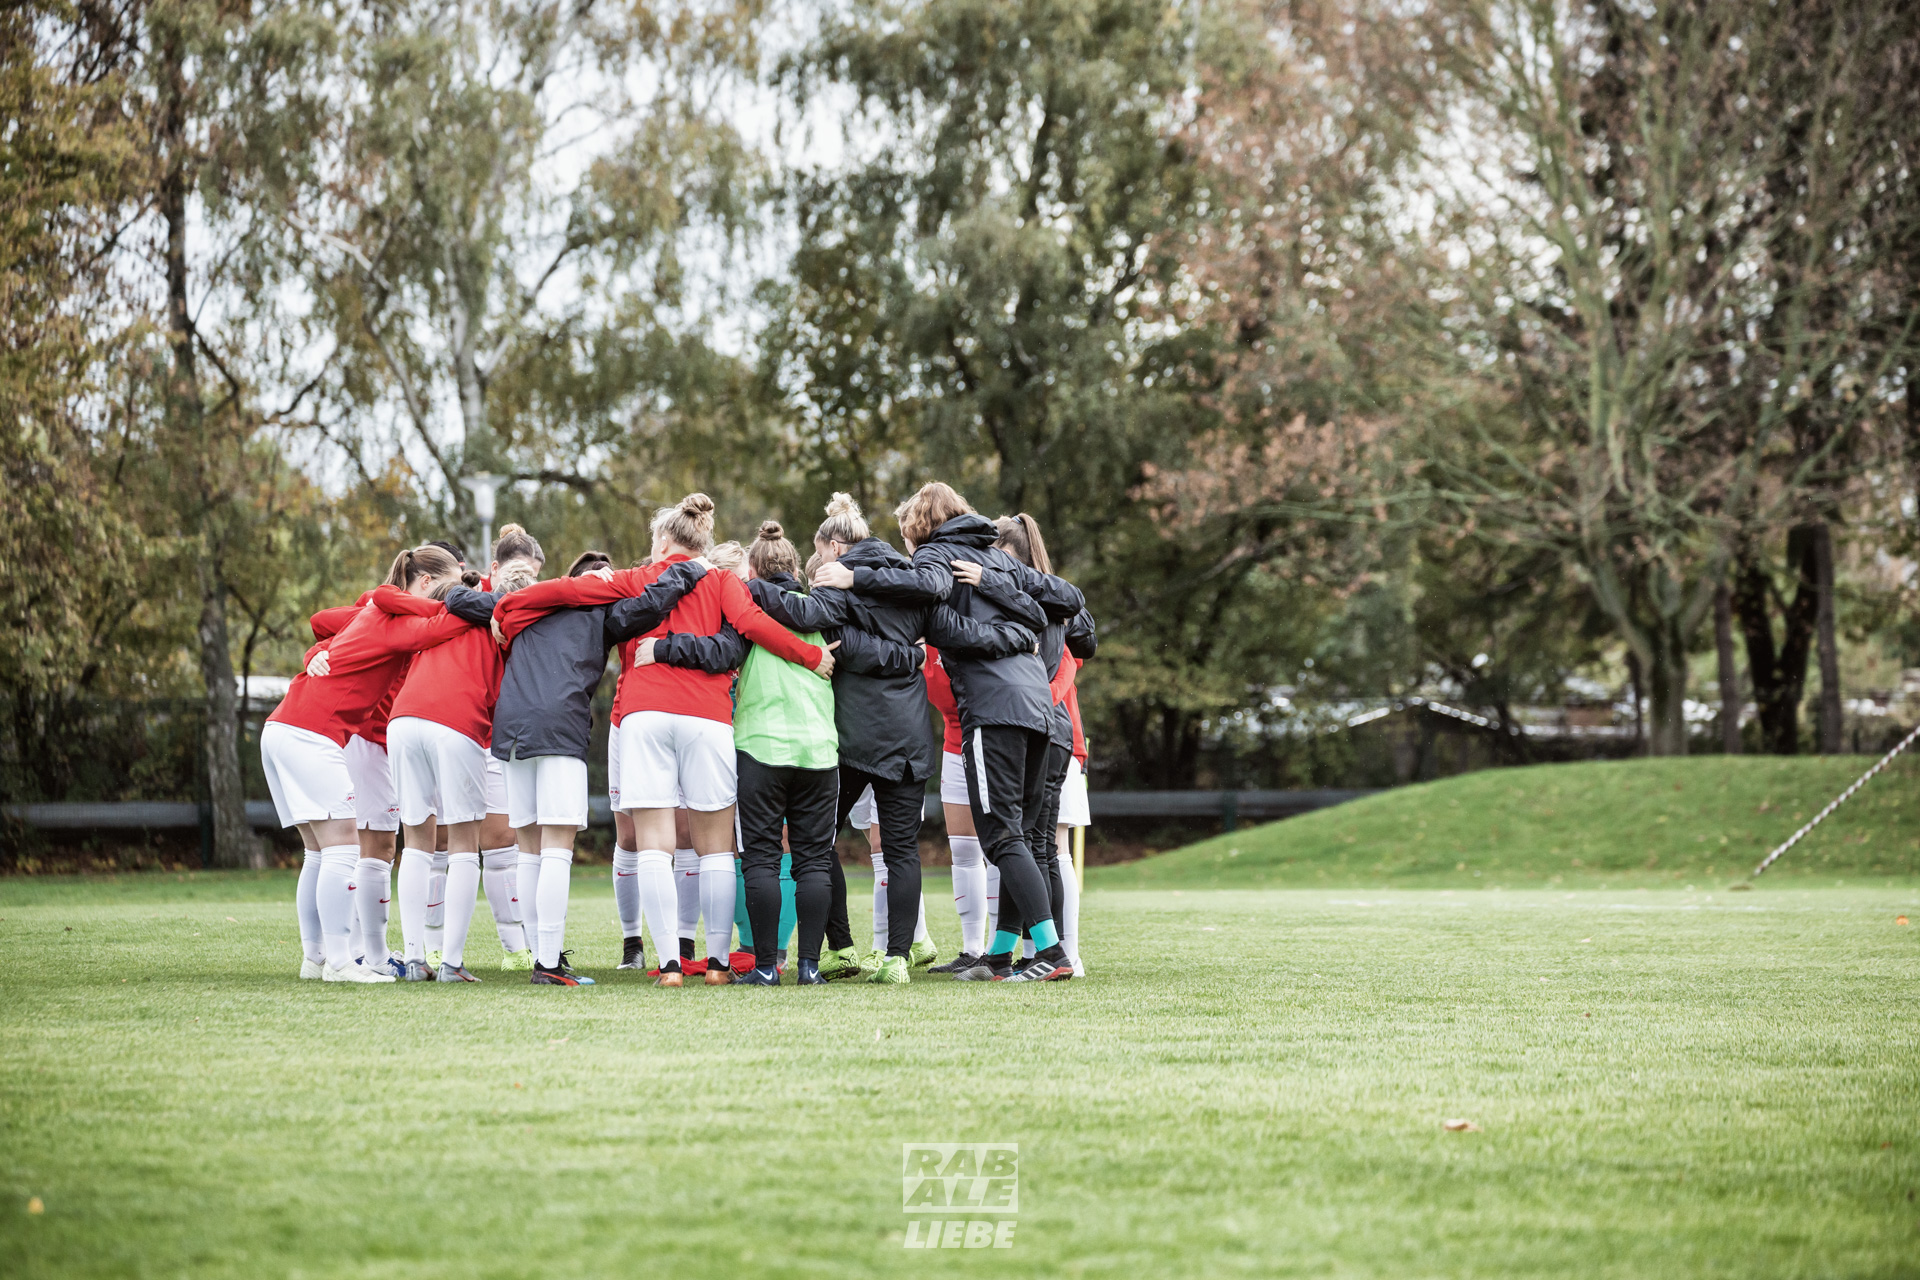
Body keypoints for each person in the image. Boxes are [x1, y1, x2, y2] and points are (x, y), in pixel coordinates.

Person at [496, 494, 831, 987]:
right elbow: (755, 626)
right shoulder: (720, 580)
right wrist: (809, 656)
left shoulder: (637, 578)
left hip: (644, 714)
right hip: (708, 716)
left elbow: (562, 593)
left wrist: (505, 610)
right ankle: (717, 965)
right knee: (715, 847)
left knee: (653, 846)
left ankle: (670, 964)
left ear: (663, 540)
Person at [814, 481, 1084, 982]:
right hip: (1040, 711)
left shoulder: (938, 556)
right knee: (1020, 837)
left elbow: (932, 597)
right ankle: (1002, 952)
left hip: (994, 708)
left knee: (1001, 835)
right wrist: (1009, 617)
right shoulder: (996, 557)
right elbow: (1064, 599)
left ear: (918, 530)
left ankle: (1050, 951)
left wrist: (855, 580)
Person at [485, 547, 714, 985]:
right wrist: (691, 571)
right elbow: (650, 603)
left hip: (511, 726)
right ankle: (548, 965)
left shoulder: (526, 607)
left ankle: (542, 956)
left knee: (529, 848)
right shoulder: (600, 612)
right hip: (557, 723)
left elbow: (473, 601)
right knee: (555, 846)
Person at [262, 546, 473, 983]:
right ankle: (342, 962)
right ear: (428, 582)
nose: (456, 593)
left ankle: (315, 958)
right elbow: (439, 623)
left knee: (318, 853)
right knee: (342, 849)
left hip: (285, 727)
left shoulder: (384, 611)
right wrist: (483, 605)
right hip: (309, 733)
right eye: (452, 583)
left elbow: (366, 610)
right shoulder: (393, 618)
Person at [383, 555, 537, 982]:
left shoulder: (445, 609)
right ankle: (450, 962)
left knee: (417, 841)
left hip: (404, 718)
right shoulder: (505, 625)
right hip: (454, 722)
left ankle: (415, 959)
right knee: (464, 846)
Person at [992, 513, 1095, 974]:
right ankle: (1021, 951)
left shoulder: (1033, 599)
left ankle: (1054, 953)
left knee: (1038, 846)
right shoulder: (1050, 596)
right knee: (1033, 843)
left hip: (1048, 729)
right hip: (1049, 729)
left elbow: (1070, 657)